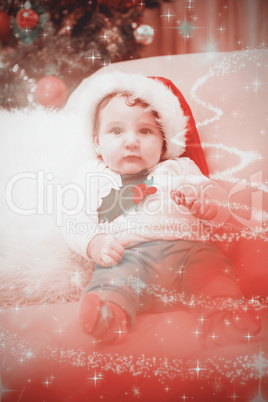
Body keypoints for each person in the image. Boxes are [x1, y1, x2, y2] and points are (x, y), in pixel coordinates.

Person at [63, 70, 261, 346]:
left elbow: (219, 201)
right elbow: (72, 216)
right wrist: (94, 243)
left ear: (164, 141)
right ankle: (109, 316)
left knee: (213, 273)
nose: (131, 141)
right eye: (117, 130)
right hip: (128, 256)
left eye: (145, 131)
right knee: (113, 279)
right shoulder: (92, 174)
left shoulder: (180, 167)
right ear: (97, 140)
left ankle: (224, 317)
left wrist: (208, 207)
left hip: (189, 252)